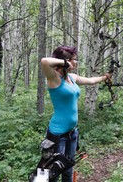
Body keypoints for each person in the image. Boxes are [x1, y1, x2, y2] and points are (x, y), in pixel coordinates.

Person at [40, 45, 111, 182]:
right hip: (57, 135)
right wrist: (64, 62)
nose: (76, 62)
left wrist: (105, 77)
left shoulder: (71, 77)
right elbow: (44, 61)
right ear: (65, 61)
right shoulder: (54, 79)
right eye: (73, 60)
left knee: (68, 169)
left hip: (72, 133)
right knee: (53, 173)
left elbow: (91, 81)